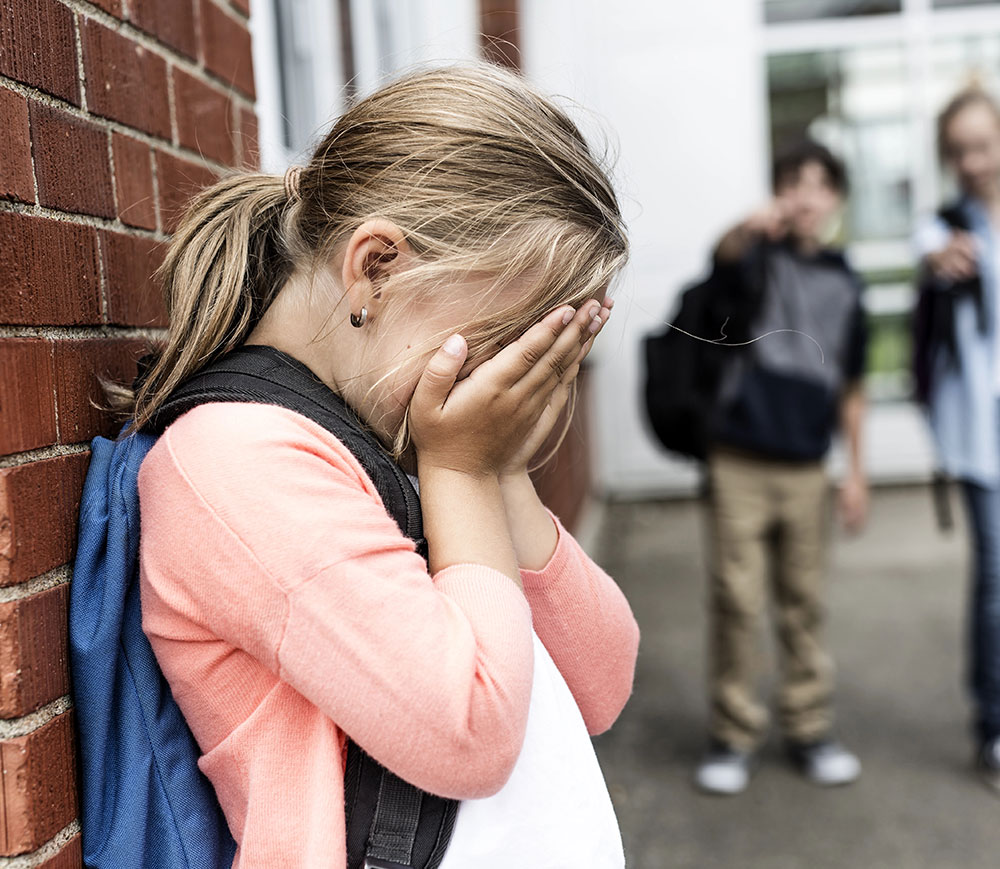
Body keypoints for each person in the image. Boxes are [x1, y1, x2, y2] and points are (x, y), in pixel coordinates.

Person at [128, 64, 639, 867]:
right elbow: (467, 732)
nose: (510, 377)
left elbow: (602, 682)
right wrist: (466, 471)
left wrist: (500, 470)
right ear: (377, 265)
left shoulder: (415, 439)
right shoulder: (237, 461)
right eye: (504, 335)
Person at [694, 140, 869, 795]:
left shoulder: (848, 281)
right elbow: (718, 269)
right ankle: (732, 736)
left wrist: (856, 473)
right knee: (735, 601)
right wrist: (745, 228)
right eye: (794, 182)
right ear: (778, 192)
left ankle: (809, 727)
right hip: (738, 456)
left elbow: (853, 385)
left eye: (821, 184)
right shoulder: (752, 258)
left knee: (804, 602)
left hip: (806, 466)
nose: (806, 195)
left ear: (836, 199)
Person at [914, 86, 1000, 794]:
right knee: (998, 576)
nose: (974, 160)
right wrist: (941, 262)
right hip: (980, 427)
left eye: (983, 143)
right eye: (960, 150)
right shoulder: (944, 227)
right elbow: (932, 260)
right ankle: (994, 728)